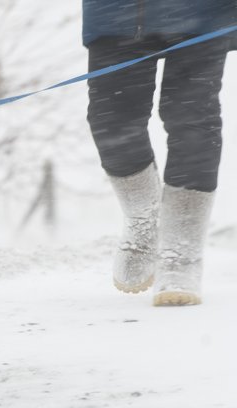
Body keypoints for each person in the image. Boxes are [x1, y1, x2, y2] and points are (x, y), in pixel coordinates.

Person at [83, 0, 237, 305]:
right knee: (111, 122)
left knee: (191, 119)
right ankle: (142, 219)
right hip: (115, 13)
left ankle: (181, 252)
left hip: (204, 11)